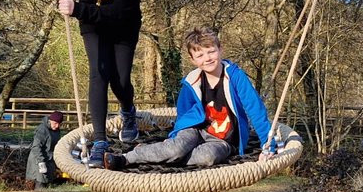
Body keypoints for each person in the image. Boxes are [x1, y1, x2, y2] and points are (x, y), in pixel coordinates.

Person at [46, 0, 147, 168]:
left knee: (121, 79)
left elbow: (117, 12)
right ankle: (100, 140)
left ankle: (128, 111)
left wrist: (77, 8)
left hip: (123, 26)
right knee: (99, 73)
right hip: (92, 23)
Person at [103, 26, 276, 171]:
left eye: (211, 52)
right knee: (177, 148)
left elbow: (256, 110)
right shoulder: (192, 82)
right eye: (200, 55)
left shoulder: (236, 77)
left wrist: (268, 146)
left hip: (223, 139)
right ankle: (127, 158)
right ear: (193, 60)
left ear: (220, 50)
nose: (207, 58)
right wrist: (177, 135)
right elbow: (184, 113)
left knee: (208, 157)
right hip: (195, 129)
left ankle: (152, 153)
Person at [25, 110, 64, 189]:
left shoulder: (57, 130)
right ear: (50, 121)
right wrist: (41, 162)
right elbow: (36, 147)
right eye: (55, 123)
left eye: (59, 124)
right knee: (41, 184)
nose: (57, 126)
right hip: (38, 160)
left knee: (48, 184)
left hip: (49, 160)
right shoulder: (42, 130)